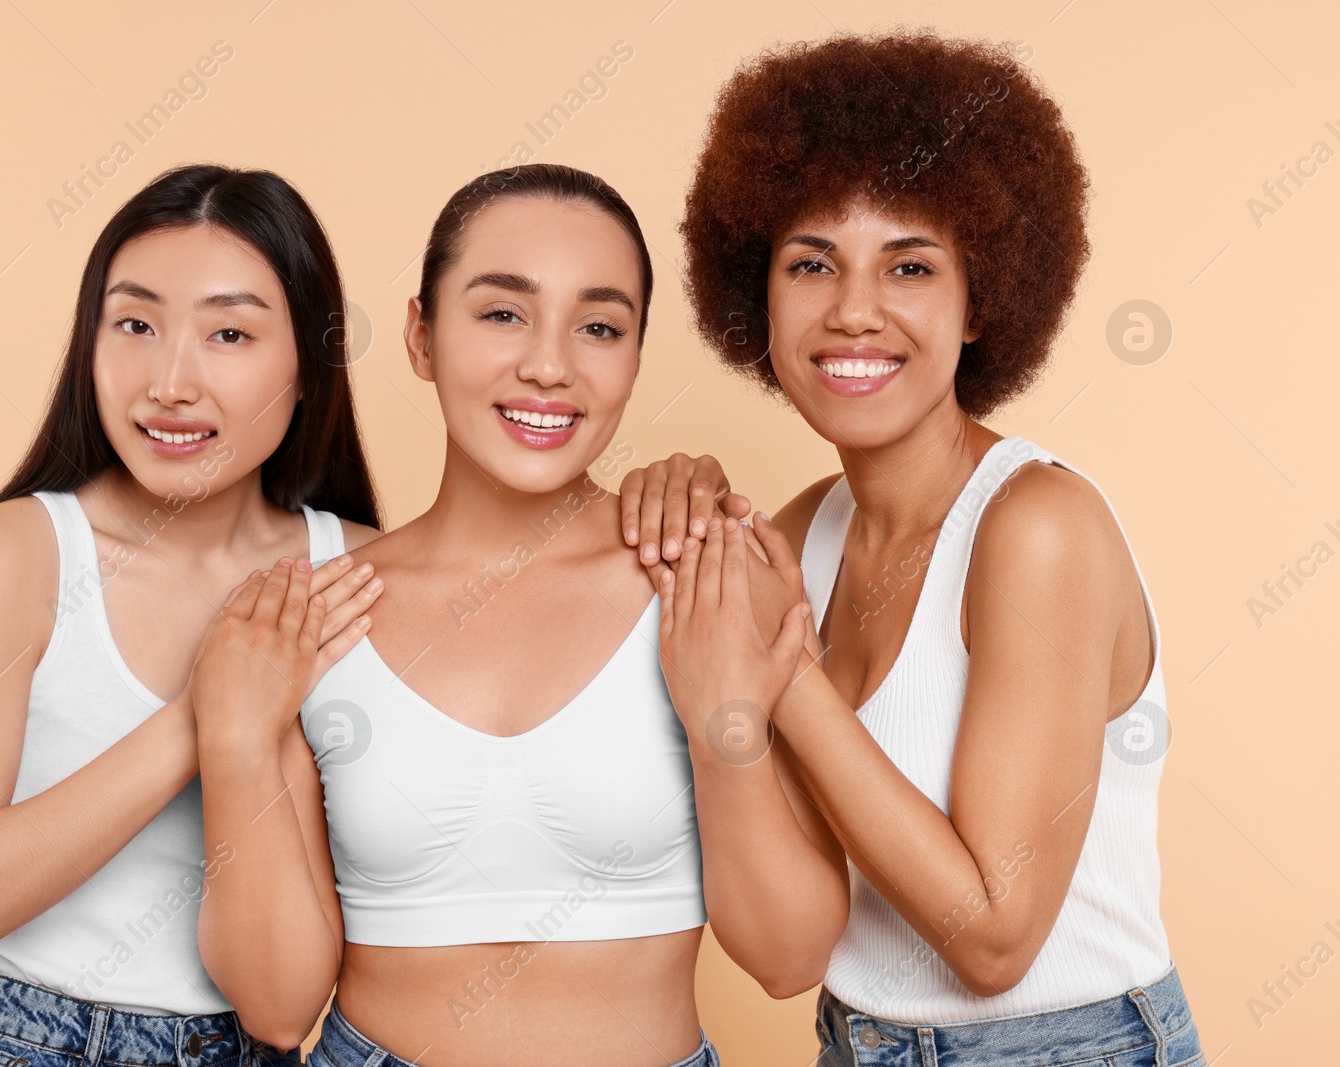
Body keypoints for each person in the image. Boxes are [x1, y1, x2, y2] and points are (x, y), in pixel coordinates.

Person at [189, 162, 850, 1067]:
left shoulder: (701, 573)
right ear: (422, 337)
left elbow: (790, 958)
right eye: (502, 312)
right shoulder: (315, 608)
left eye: (600, 326)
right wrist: (230, 744)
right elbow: (274, 1005)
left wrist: (719, 725)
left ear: (635, 356)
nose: (549, 365)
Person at [645, 32, 1205, 1065]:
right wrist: (660, 515)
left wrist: (792, 680)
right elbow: (783, 950)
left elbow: (993, 935)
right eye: (810, 263)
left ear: (981, 299)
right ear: (755, 297)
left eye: (909, 264)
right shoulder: (795, 536)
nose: (853, 309)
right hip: (853, 1041)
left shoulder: (1036, 526)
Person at [0, 164, 386, 1067]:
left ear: (311, 366)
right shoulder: (14, 555)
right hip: (17, 1038)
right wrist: (210, 713)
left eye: (229, 332)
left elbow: (289, 1003)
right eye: (135, 324)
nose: (170, 381)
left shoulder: (356, 574)